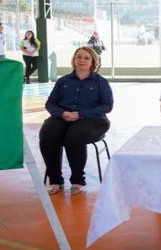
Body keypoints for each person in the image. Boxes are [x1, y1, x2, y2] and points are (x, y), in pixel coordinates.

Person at [39, 46, 113, 195]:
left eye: (86, 58)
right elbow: (50, 103)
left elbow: (107, 106)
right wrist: (62, 113)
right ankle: (55, 180)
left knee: (74, 137)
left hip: (93, 119)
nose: (82, 60)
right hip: (63, 116)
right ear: (74, 59)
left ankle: (77, 180)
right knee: (47, 135)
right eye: (78, 57)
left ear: (93, 62)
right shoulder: (64, 81)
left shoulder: (101, 82)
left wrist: (81, 114)